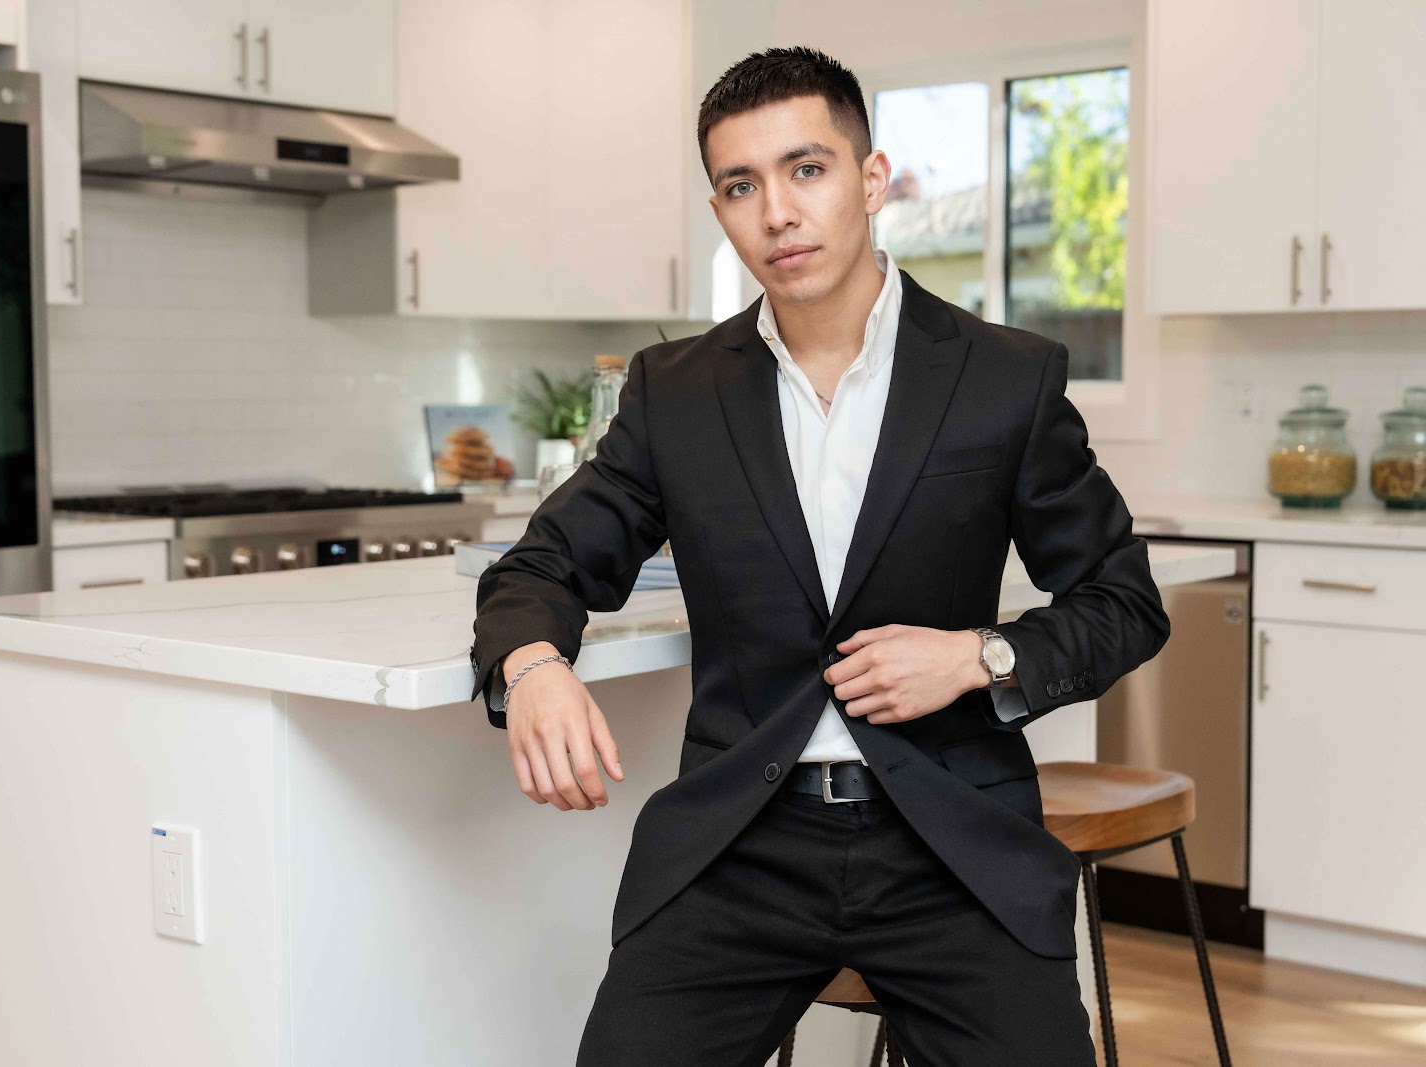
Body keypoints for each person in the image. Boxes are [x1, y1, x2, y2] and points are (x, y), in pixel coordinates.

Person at [467, 45, 1169, 1067]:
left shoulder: (1003, 379)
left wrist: (979, 655)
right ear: (719, 209)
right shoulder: (676, 392)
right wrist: (533, 667)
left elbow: (1124, 598)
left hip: (952, 845)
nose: (777, 213)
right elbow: (539, 566)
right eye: (740, 185)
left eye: (806, 169)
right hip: (740, 849)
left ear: (870, 179)